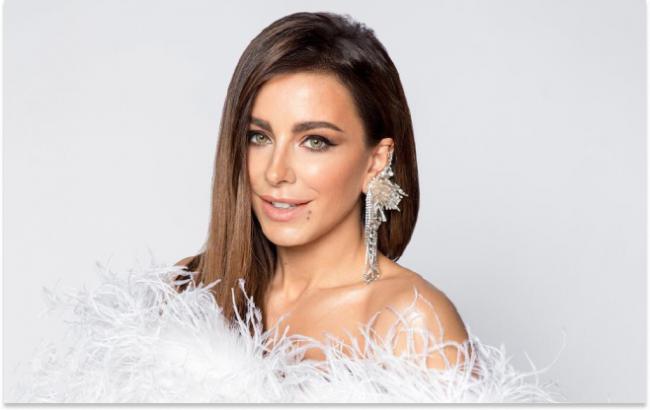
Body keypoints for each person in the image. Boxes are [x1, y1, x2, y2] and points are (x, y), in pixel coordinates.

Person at [173, 10, 471, 370]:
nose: (276, 172)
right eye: (258, 137)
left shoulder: (410, 323)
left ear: (376, 162)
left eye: (315, 141)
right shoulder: (190, 288)